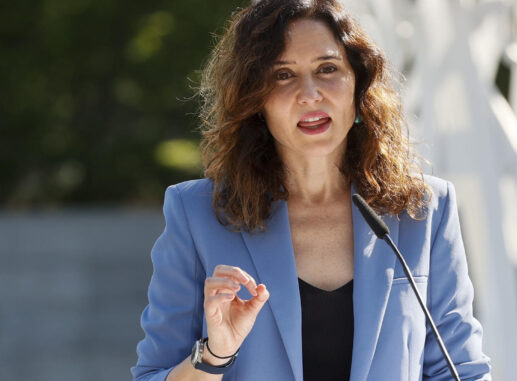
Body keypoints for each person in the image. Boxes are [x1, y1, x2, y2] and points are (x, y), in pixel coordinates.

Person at [132, 0, 491, 380]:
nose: (310, 94)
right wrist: (215, 354)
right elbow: (152, 374)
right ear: (256, 101)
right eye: (283, 75)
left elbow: (461, 370)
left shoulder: (424, 210)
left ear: (359, 85)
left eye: (328, 68)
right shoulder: (197, 213)